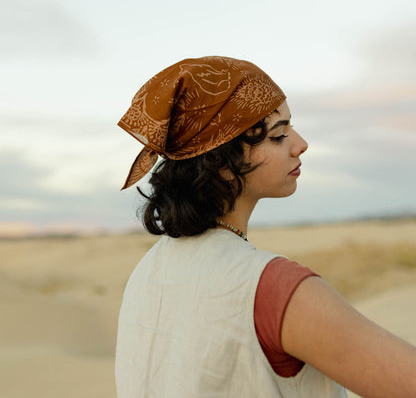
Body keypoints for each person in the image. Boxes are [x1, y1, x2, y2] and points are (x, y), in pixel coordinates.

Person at [115, 56, 416, 398]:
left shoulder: (145, 274)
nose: (300, 144)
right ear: (222, 162)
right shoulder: (271, 287)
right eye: (278, 135)